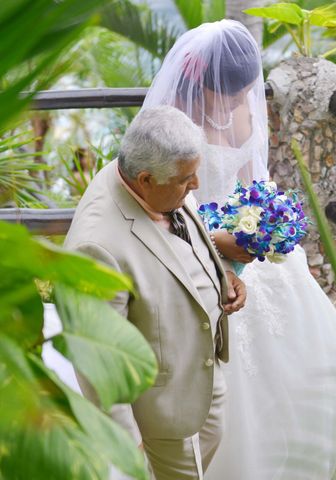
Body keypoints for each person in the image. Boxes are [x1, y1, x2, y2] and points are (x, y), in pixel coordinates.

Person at [142, 20, 336, 479]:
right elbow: (163, 203)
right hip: (188, 239)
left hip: (241, 235)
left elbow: (249, 180)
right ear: (201, 82)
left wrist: (260, 228)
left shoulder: (244, 109)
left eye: (244, 92)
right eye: (229, 94)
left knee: (289, 315)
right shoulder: (172, 121)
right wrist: (213, 241)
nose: (239, 101)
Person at [64, 105, 247, 480]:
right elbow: (96, 358)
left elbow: (180, 243)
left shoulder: (152, 176)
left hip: (199, 375)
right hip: (163, 407)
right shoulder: (97, 247)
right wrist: (128, 439)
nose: (195, 186)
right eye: (186, 180)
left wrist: (222, 274)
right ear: (145, 179)